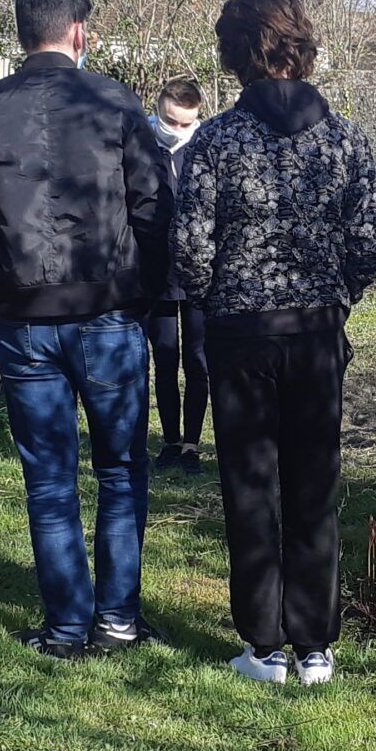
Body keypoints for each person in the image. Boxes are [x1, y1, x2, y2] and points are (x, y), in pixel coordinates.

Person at [0, 0, 172, 658]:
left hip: (25, 321)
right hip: (106, 315)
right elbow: (155, 209)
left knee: (49, 475)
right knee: (121, 471)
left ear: (22, 32)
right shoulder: (114, 101)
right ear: (79, 32)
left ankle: (68, 625)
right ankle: (117, 620)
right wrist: (144, 294)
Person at [174, 0, 376, 687]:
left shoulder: (215, 140)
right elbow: (367, 247)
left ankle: (263, 645)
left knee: (250, 483)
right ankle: (316, 644)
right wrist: (334, 299)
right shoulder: (345, 138)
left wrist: (216, 299)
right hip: (317, 332)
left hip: (242, 332)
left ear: (236, 55)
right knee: (313, 482)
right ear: (302, 45)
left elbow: (191, 250)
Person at [148, 75, 211, 476]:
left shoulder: (206, 150)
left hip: (199, 275)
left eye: (187, 124)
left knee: (198, 360)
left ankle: (192, 444)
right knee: (165, 358)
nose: (178, 131)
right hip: (156, 276)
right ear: (158, 113)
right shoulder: (141, 148)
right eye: (171, 122)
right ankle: (170, 441)